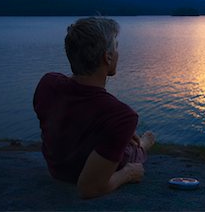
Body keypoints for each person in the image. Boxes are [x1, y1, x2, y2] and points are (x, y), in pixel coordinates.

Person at [33, 17, 155, 199]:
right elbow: (89, 188)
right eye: (116, 46)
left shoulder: (47, 84)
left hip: (58, 170)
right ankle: (145, 145)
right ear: (108, 57)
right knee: (133, 150)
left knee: (117, 137)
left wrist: (116, 129)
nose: (118, 52)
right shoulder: (122, 115)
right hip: (87, 175)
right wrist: (128, 174)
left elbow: (75, 113)